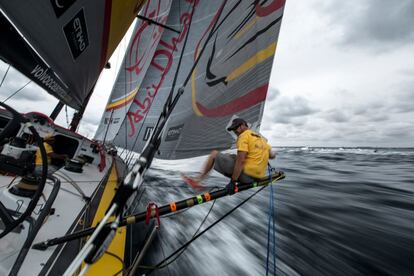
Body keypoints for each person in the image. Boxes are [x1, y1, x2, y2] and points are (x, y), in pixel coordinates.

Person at [182, 118, 276, 194]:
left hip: (246, 177)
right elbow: (272, 155)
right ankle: (198, 180)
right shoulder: (262, 139)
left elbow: (241, 161)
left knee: (214, 154)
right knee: (231, 156)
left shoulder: (243, 136)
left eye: (236, 127)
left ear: (244, 125)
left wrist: (233, 182)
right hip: (258, 178)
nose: (235, 131)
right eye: (233, 129)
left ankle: (197, 182)